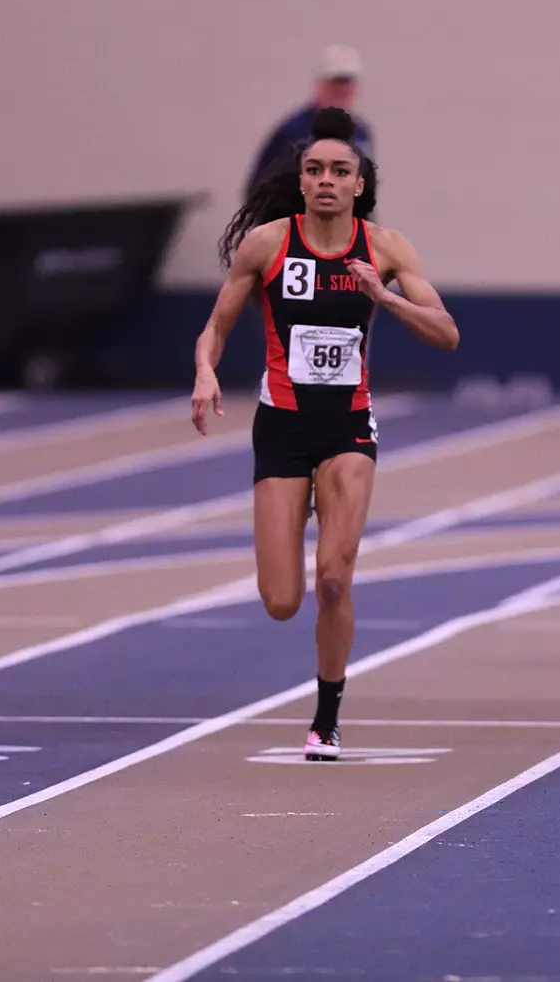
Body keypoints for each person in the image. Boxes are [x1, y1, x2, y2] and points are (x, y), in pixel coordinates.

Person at [191, 107, 458, 762]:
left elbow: (447, 333)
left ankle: (326, 717)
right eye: (315, 170)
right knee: (282, 601)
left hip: (347, 427)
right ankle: (299, 505)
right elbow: (217, 326)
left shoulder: (386, 248)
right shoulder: (268, 245)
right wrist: (204, 371)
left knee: (334, 579)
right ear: (301, 179)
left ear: (359, 183)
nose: (327, 181)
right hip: (281, 427)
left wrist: (384, 297)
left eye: (341, 171)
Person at [243, 45, 373, 202]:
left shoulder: (361, 134)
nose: (341, 90)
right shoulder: (293, 132)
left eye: (346, 83)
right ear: (319, 84)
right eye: (335, 83)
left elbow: (366, 190)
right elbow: (259, 188)